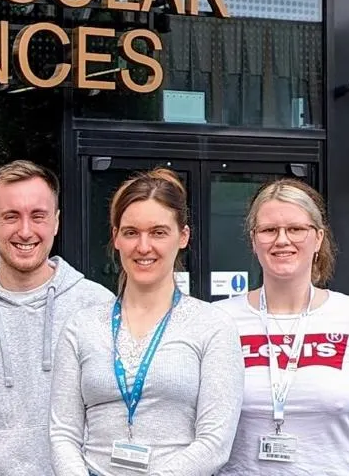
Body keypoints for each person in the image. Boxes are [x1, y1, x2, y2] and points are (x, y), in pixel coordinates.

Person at [49, 167, 244, 476]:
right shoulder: (80, 327)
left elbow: (215, 442)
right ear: (115, 238)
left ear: (183, 236)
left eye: (158, 232)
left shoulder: (213, 326)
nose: (143, 247)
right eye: (131, 232)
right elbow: (63, 433)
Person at [213, 178, 349, 475]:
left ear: (318, 238)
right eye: (269, 230)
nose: (282, 240)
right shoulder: (219, 320)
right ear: (254, 241)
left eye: (296, 229)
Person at [0, 160, 113, 475]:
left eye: (38, 216)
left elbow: (107, 410)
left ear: (55, 222)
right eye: (11, 216)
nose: (25, 231)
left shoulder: (97, 305)